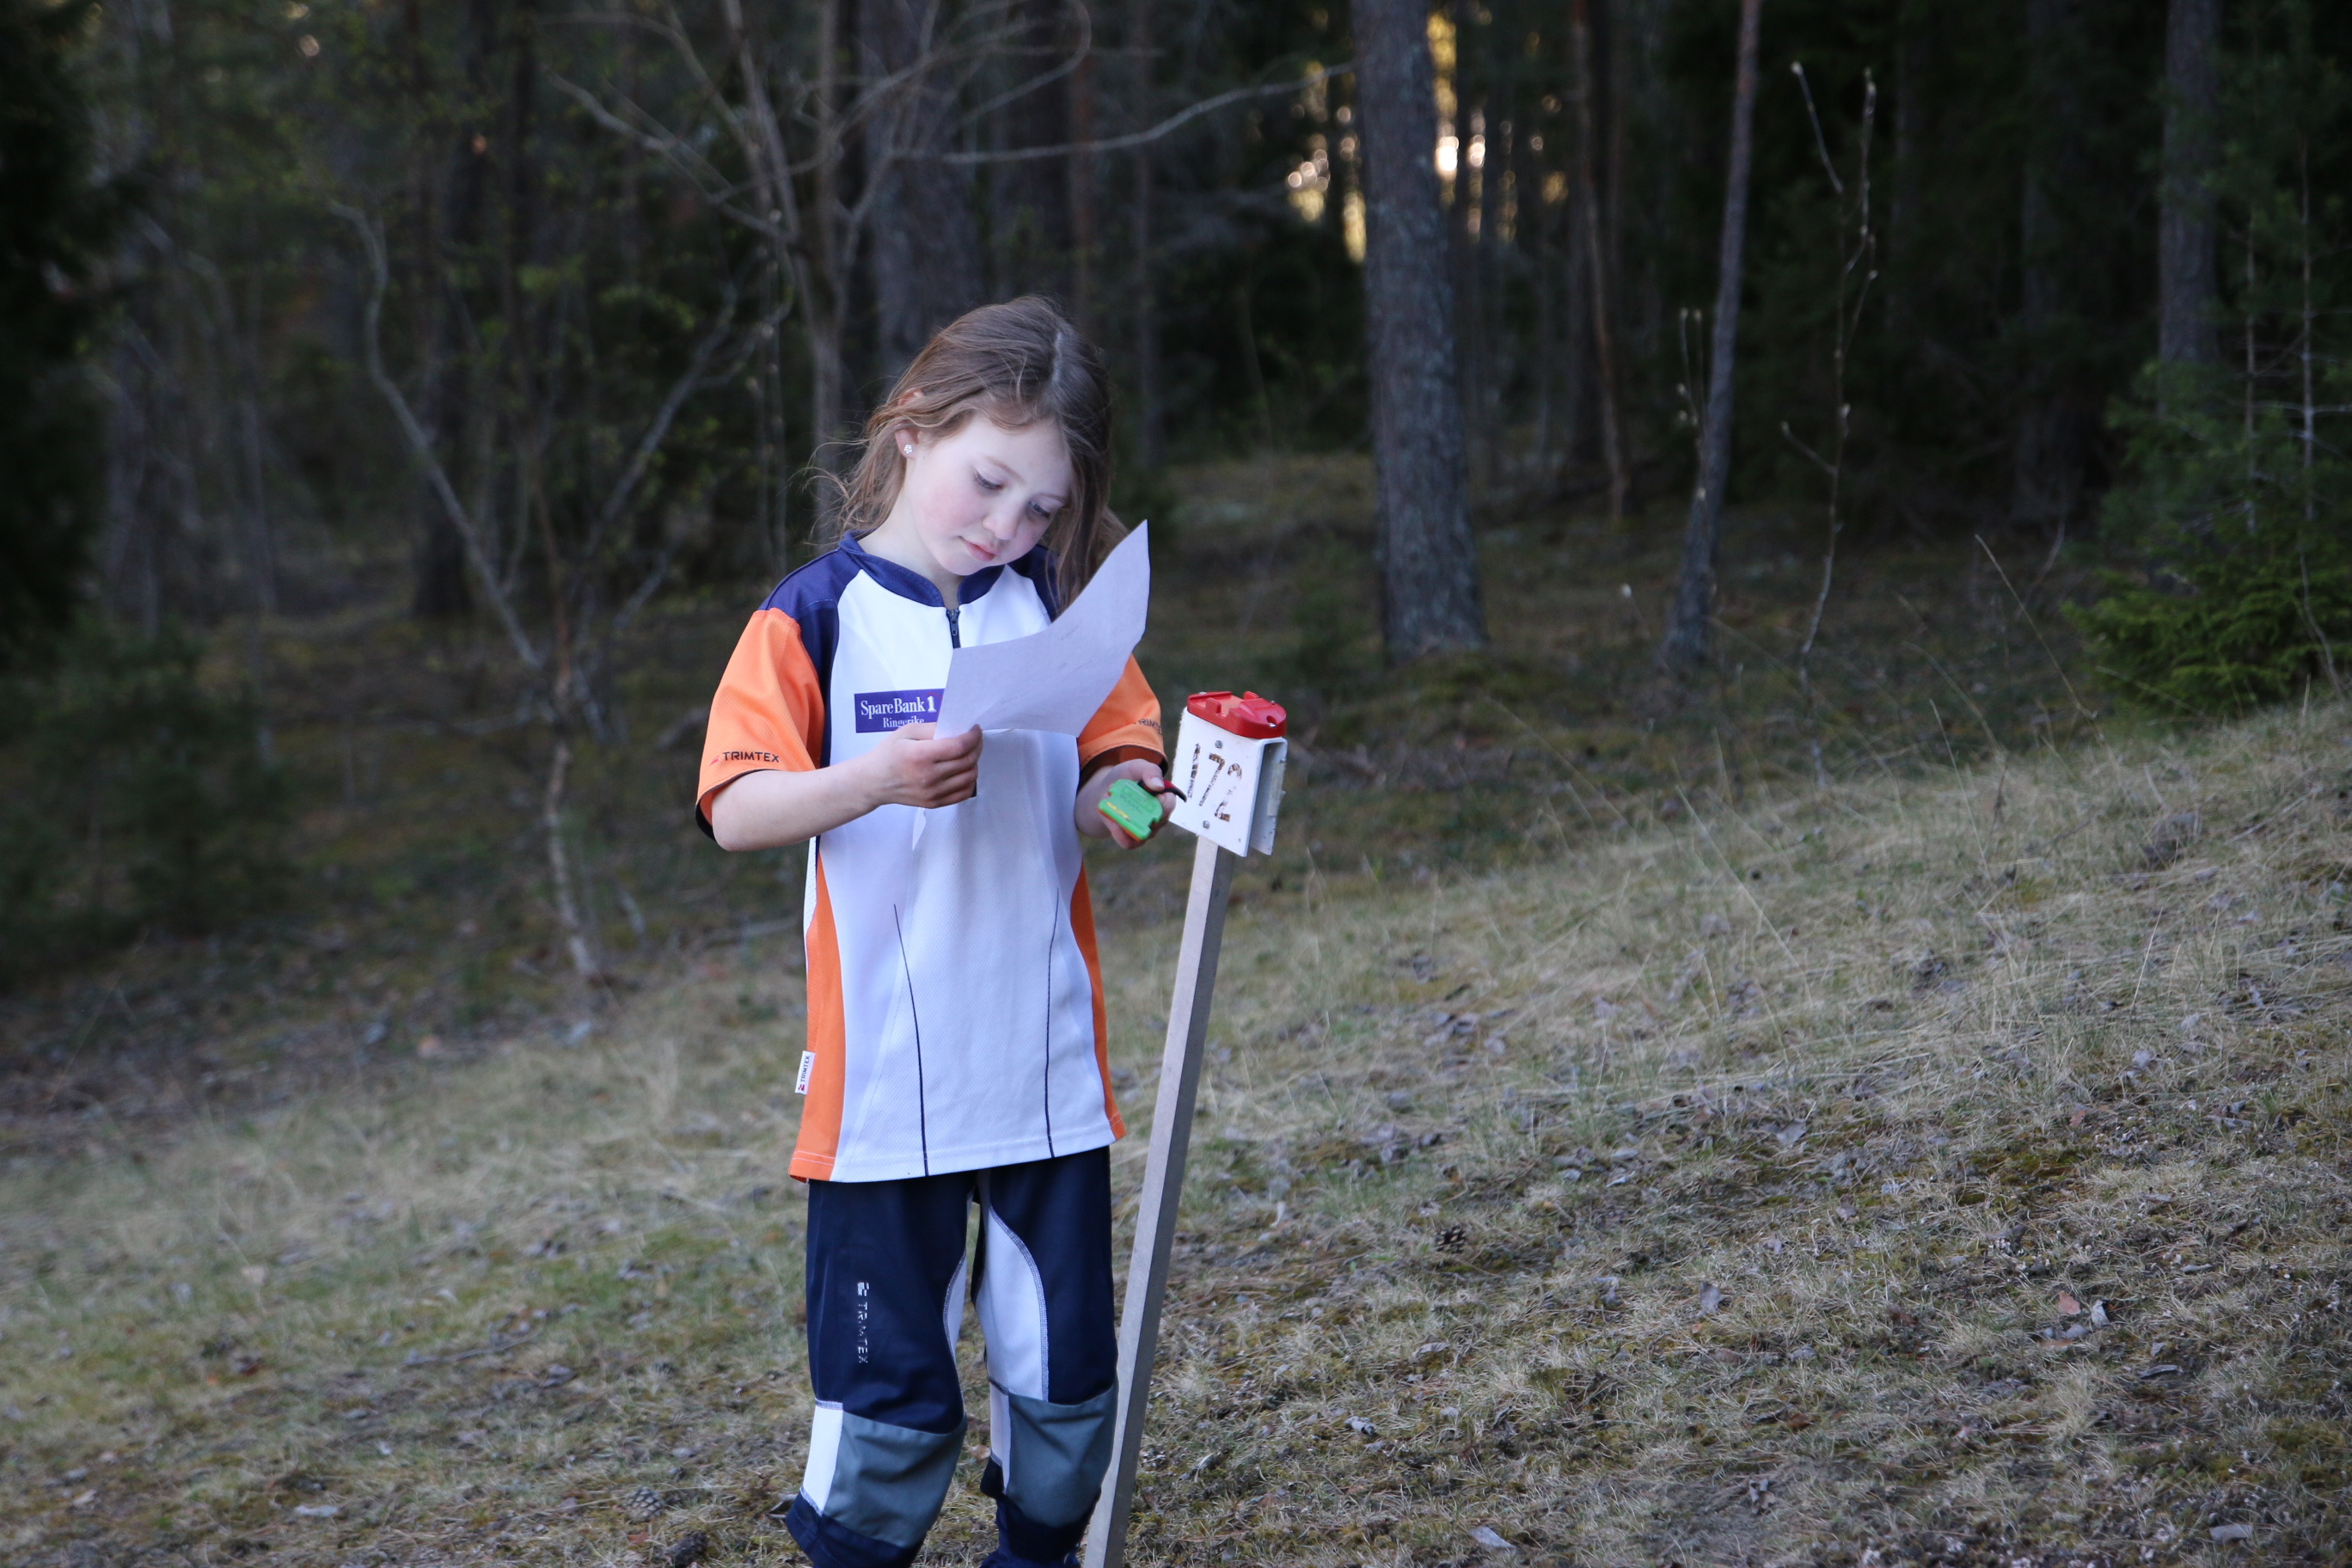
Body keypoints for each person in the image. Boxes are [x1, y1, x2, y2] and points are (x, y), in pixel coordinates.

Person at [695, 297, 1169, 1568]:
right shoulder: (812, 616)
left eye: (1039, 506)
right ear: (912, 431)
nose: (1006, 525)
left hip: (1043, 1081)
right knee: (888, 1414)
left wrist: (1134, 805)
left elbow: (1119, 769)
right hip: (882, 1099)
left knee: (1066, 1393)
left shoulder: (1061, 607)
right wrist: (874, 781)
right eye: (990, 480)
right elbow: (737, 807)